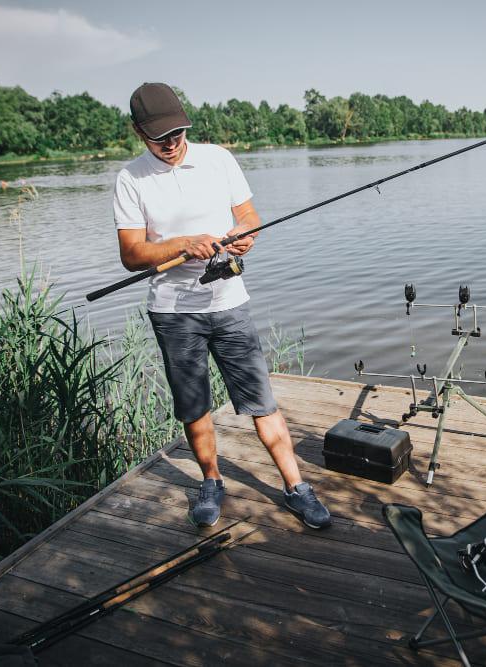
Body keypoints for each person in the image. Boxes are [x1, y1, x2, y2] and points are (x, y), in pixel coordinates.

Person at [112, 82, 331, 530]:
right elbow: (132, 254)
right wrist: (182, 245)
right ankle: (211, 481)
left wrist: (248, 234)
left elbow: (249, 216)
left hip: (229, 301)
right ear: (139, 132)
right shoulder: (129, 179)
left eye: (177, 133)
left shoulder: (217, 159)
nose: (171, 144)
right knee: (193, 406)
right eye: (160, 137)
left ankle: (296, 486)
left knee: (261, 401)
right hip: (174, 311)